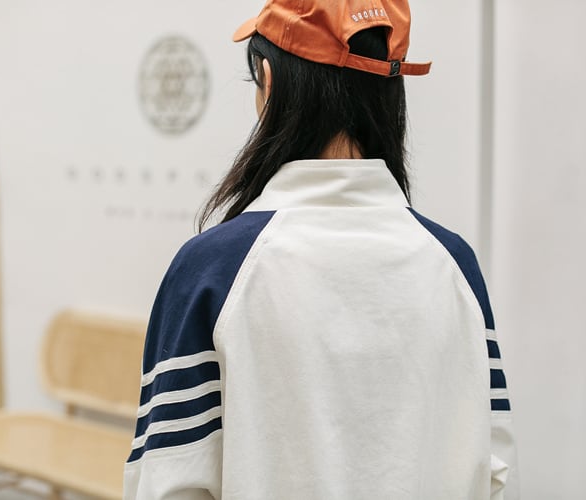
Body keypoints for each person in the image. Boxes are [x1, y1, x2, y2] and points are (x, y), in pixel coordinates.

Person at [123, 0, 518, 498]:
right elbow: (497, 472)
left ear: (269, 82)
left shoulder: (213, 271)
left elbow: (171, 480)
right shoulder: (454, 265)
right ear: (391, 90)